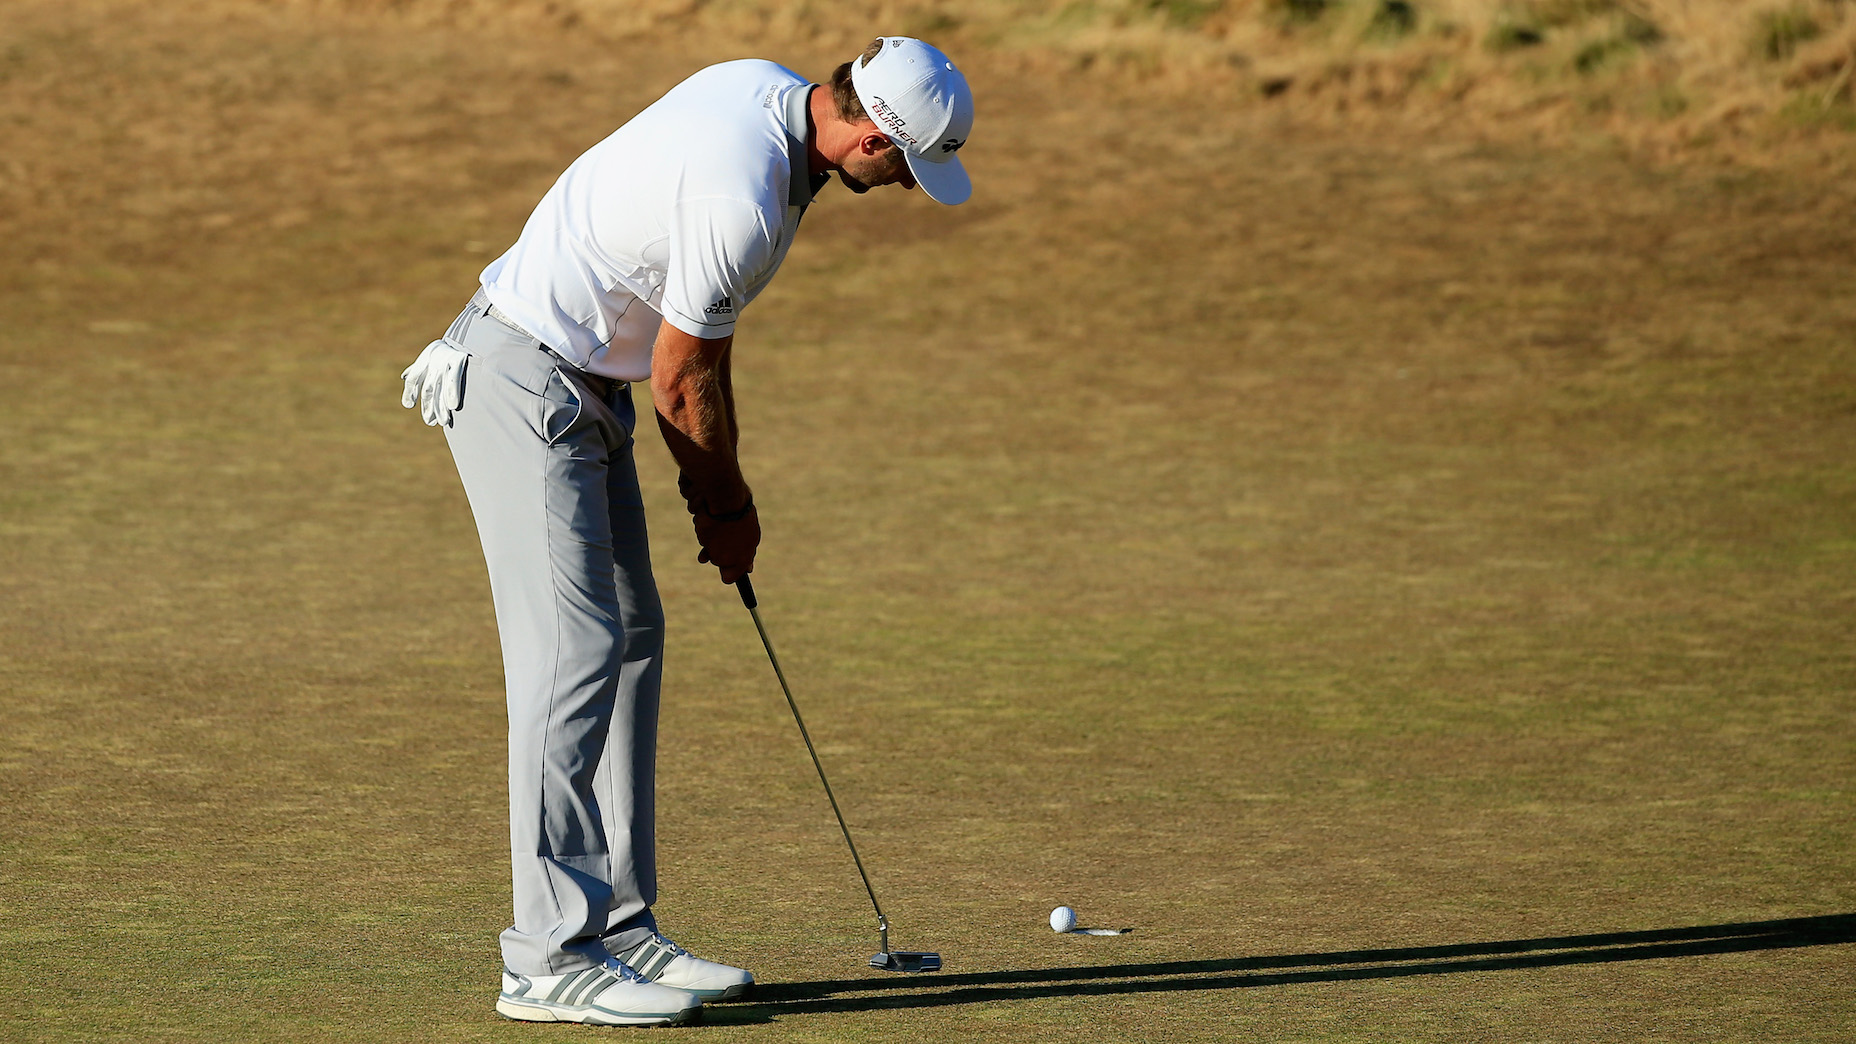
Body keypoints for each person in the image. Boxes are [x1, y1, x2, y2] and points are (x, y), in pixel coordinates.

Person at [398, 36, 974, 1028]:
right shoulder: (742, 198)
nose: (904, 188)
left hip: (581, 385)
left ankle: (617, 927)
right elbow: (681, 378)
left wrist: (722, 495)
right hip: (521, 380)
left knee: (630, 638)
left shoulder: (760, 89)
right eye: (905, 168)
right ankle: (544, 957)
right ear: (871, 137)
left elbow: (698, 354)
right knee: (572, 654)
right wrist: (727, 510)